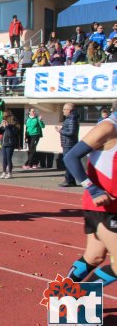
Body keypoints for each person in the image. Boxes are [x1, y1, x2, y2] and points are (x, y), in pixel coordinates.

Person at [63, 99, 117, 287]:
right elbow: (70, 157)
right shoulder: (109, 127)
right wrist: (93, 189)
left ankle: (63, 294)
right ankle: (74, 297)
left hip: (112, 205)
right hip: (103, 205)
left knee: (94, 256)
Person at [56, 103, 80, 187]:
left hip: (69, 144)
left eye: (64, 109)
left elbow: (71, 132)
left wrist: (60, 131)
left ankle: (68, 180)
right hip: (67, 143)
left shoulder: (71, 119)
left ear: (69, 110)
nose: (62, 111)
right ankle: (71, 180)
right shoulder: (70, 118)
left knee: (68, 162)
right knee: (69, 162)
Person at [0, 113, 20, 179]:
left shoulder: (14, 127)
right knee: (4, 159)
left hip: (10, 144)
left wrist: (7, 126)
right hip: (4, 144)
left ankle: (10, 173)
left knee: (8, 158)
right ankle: (4, 172)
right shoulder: (5, 126)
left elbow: (10, 134)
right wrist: (0, 126)